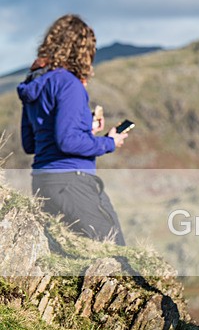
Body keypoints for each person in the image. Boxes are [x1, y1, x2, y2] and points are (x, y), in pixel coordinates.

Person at [17, 14, 128, 245]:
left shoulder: (35, 87)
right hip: (71, 180)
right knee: (113, 248)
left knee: (70, 257)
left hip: (42, 181)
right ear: (82, 51)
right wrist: (109, 143)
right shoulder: (69, 84)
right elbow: (67, 141)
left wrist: (86, 128)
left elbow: (30, 143)